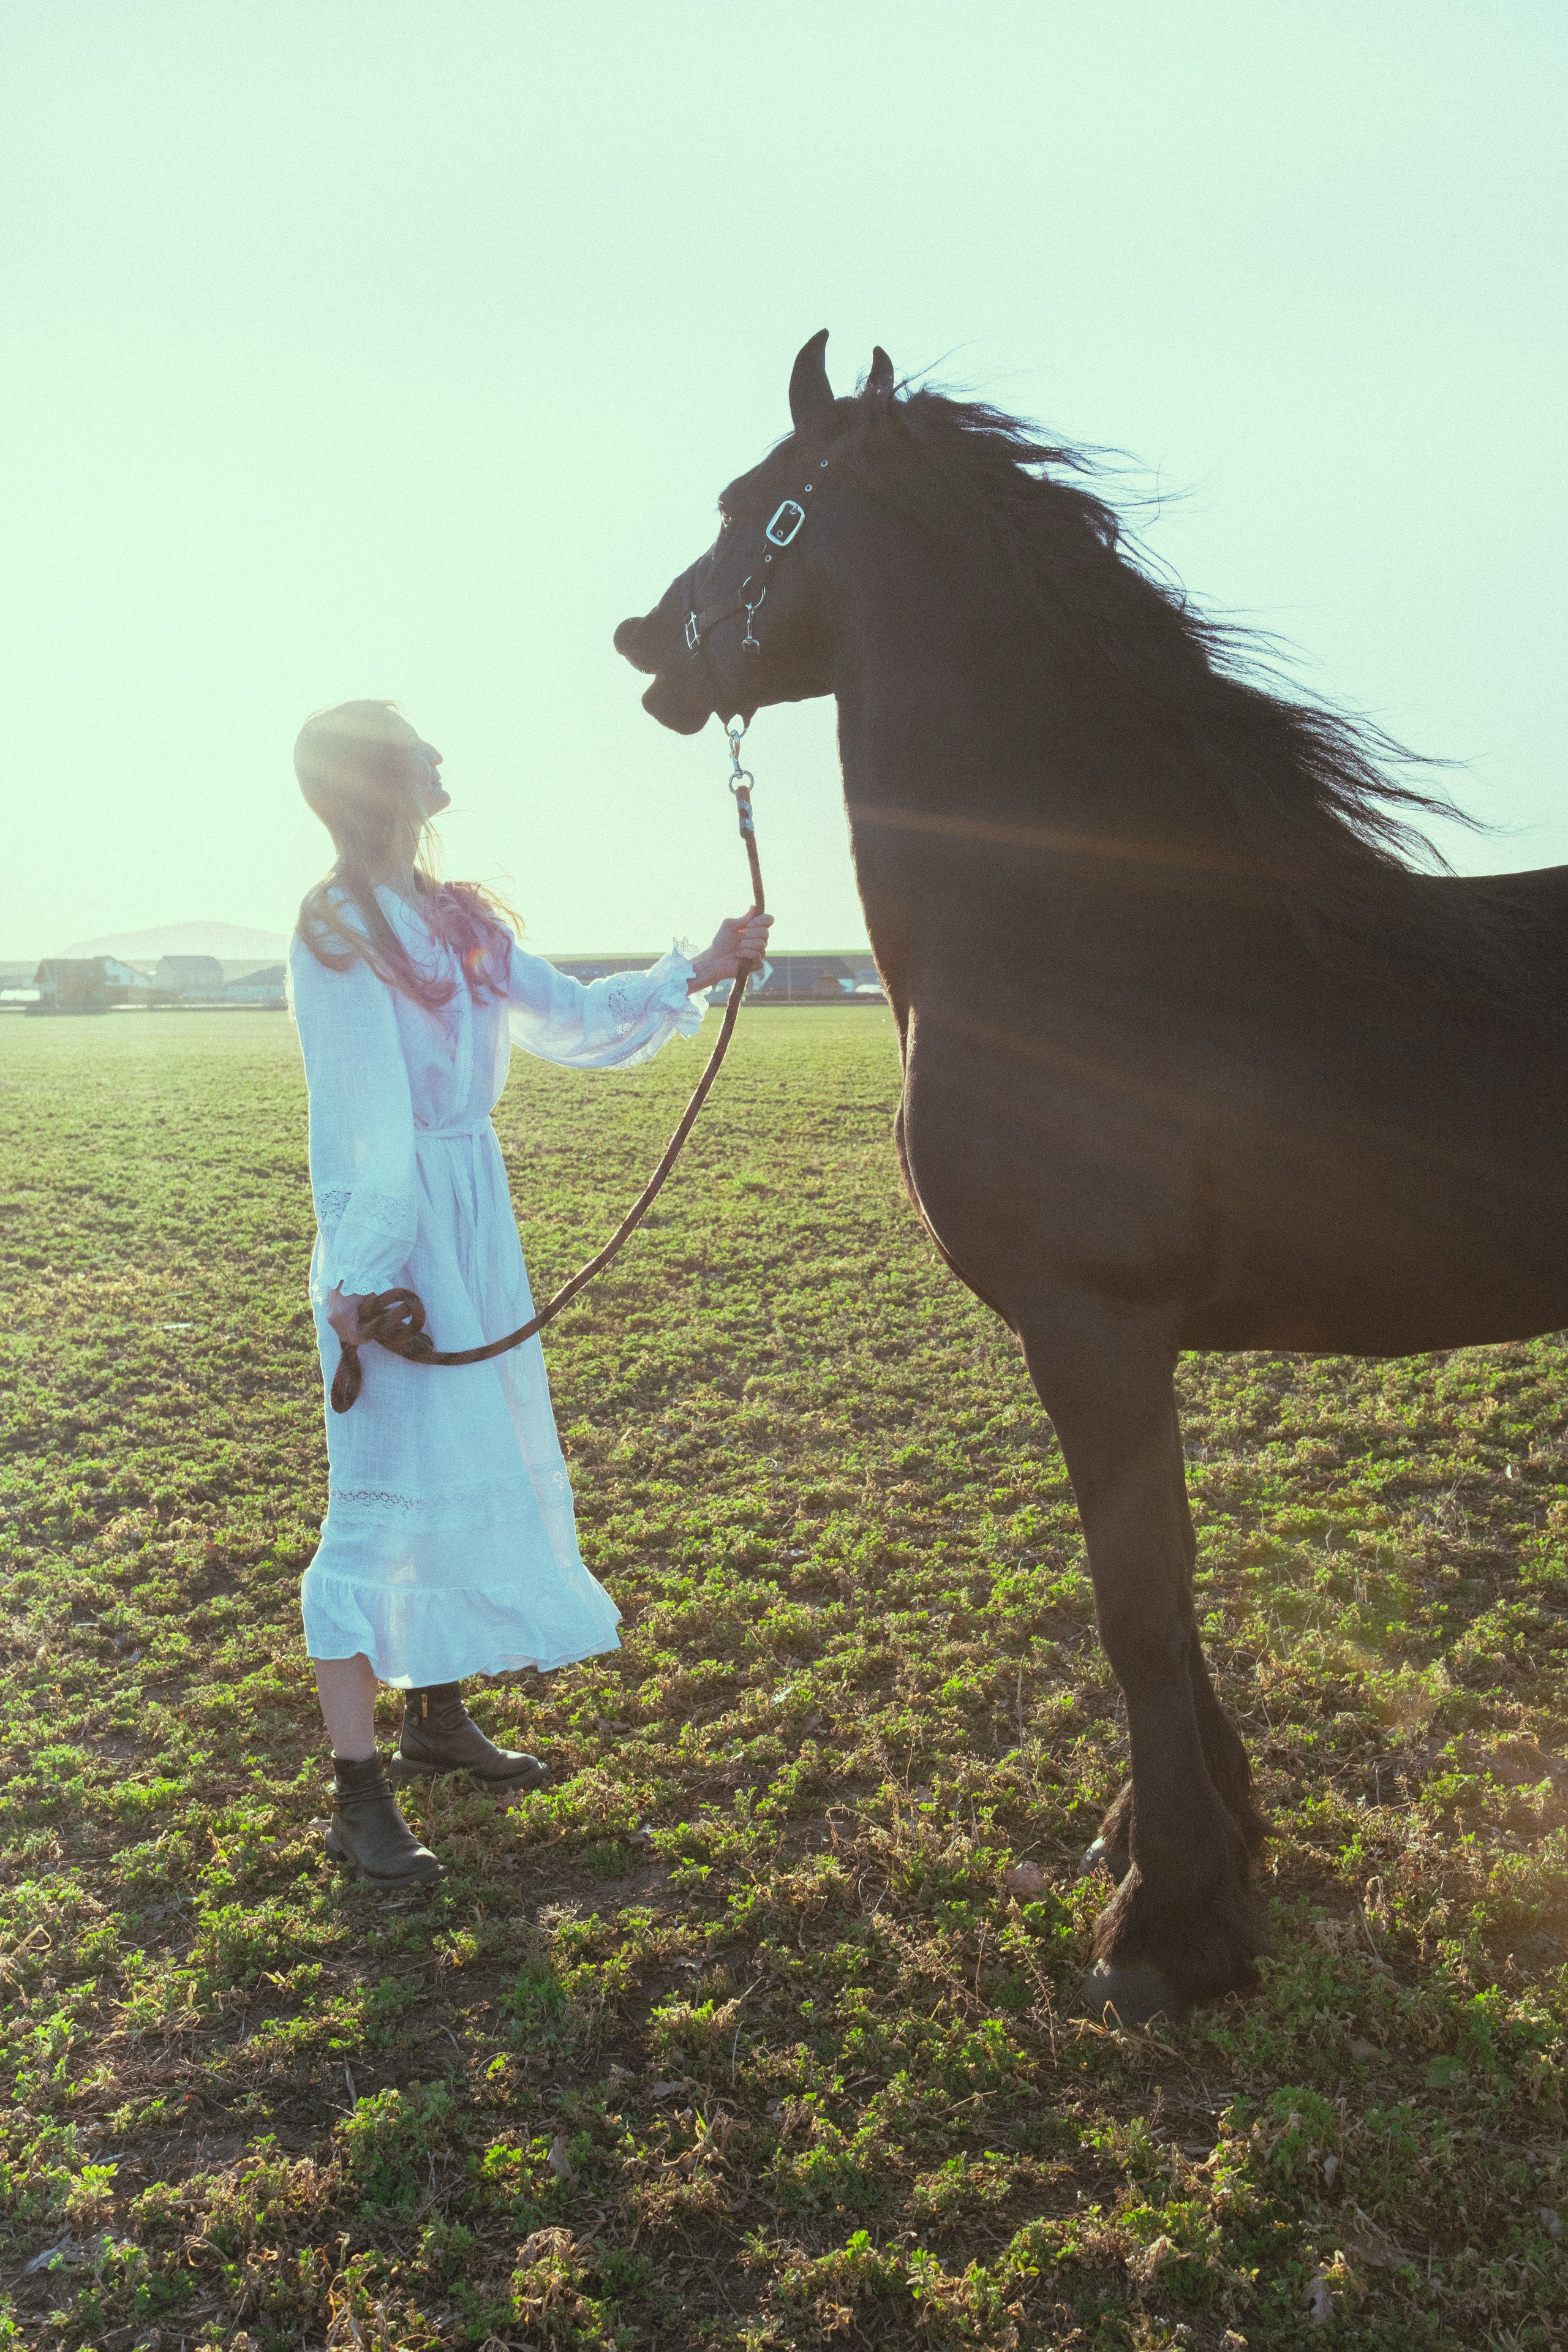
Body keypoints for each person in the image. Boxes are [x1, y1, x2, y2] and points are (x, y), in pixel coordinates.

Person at [288, 699, 772, 1885]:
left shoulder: (454, 921)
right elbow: (362, 1119)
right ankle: (358, 1800)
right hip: (392, 1239)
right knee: (376, 1499)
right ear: (375, 780)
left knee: (461, 1461)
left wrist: (701, 965)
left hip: (469, 1214)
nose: (441, 757)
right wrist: (363, 1280)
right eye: (417, 746)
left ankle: (435, 1721)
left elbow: (574, 1015)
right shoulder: (336, 929)